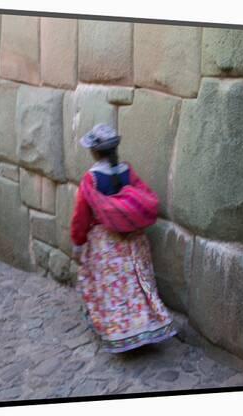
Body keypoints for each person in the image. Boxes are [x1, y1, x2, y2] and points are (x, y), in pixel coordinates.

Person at [70, 123, 177, 353]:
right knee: (135, 286)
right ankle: (143, 328)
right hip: (134, 241)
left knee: (113, 290)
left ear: (95, 151)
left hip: (106, 244)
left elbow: (81, 215)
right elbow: (143, 196)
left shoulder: (91, 179)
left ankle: (120, 334)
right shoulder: (127, 171)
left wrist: (78, 242)